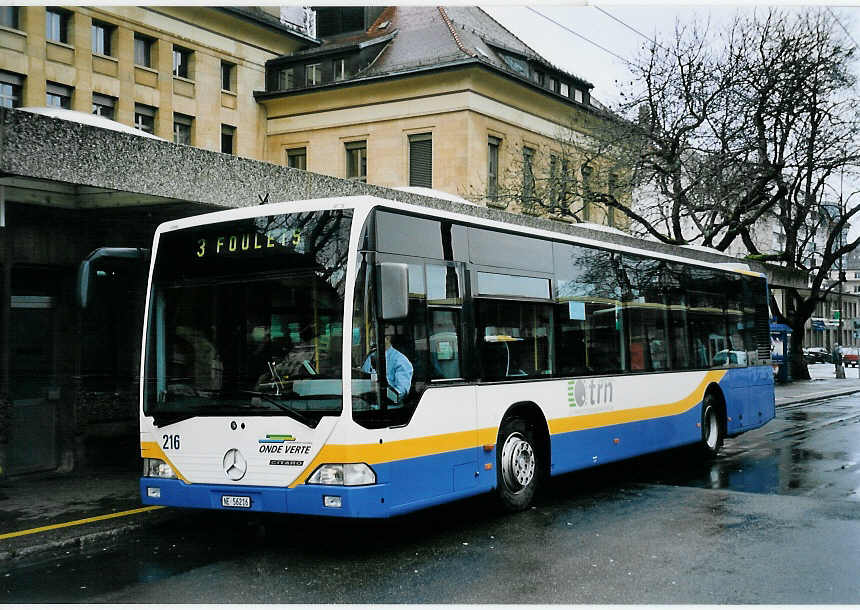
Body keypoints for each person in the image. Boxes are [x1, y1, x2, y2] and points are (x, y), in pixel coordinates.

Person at [362, 331, 413, 403]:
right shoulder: (371, 356)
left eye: (374, 338)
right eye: (371, 338)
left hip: (389, 406)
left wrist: (382, 392)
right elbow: (363, 379)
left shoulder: (400, 360)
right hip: (369, 403)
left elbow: (400, 392)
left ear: (388, 338)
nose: (372, 342)